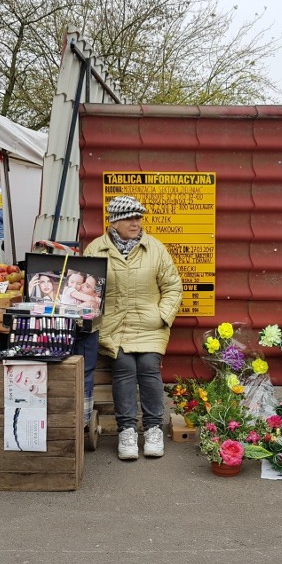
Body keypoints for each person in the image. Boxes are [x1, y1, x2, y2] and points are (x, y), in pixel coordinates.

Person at [84, 195, 182, 460]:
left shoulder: (155, 248)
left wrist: (162, 316)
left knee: (149, 367)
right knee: (125, 367)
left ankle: (152, 429)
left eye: (138, 217)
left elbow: (173, 286)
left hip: (150, 325)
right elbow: (84, 288)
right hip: (114, 327)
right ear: (114, 221)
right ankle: (127, 430)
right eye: (129, 217)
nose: (136, 222)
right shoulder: (96, 250)